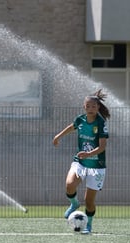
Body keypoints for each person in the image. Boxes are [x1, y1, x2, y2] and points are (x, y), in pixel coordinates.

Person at [53, 89, 110, 234]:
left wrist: (89, 153)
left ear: (98, 108)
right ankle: (74, 204)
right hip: (80, 162)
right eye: (88, 106)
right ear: (84, 107)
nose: (90, 109)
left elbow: (102, 146)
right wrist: (58, 136)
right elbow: (71, 127)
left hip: (97, 166)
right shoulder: (80, 119)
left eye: (93, 106)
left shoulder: (101, 123)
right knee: (69, 184)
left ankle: (88, 225)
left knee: (89, 200)